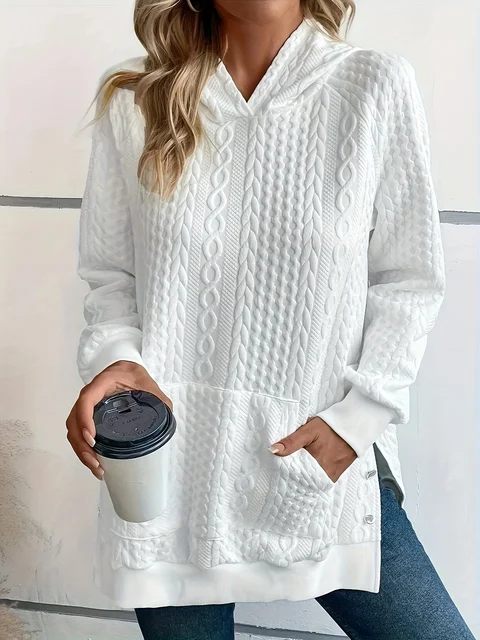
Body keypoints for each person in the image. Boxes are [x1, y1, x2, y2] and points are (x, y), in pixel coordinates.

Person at [65, 0, 475, 638]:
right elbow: (112, 277)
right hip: (166, 473)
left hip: (317, 462)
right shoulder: (137, 101)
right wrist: (116, 360)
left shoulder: (371, 85)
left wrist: (357, 421)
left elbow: (410, 279)